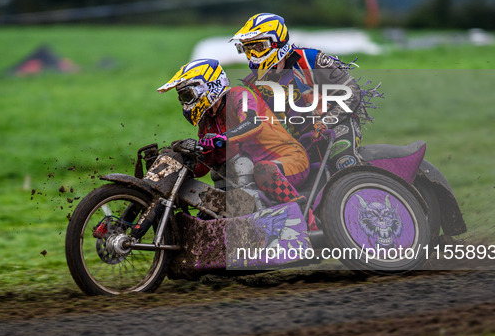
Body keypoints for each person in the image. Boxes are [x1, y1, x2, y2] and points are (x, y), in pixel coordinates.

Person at [230, 13, 378, 173]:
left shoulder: (310, 59)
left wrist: (324, 123)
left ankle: (369, 188)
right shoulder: (252, 84)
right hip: (297, 143)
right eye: (247, 49)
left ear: (276, 42)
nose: (253, 56)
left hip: (336, 128)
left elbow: (352, 93)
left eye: (258, 48)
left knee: (345, 163)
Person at [157, 58, 309, 205]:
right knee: (214, 197)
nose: (185, 103)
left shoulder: (239, 94)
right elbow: (209, 161)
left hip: (290, 159)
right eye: (182, 98)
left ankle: (307, 219)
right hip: (250, 169)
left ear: (208, 85)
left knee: (264, 170)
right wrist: (185, 160)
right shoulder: (208, 119)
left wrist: (222, 138)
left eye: (187, 95)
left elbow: (252, 123)